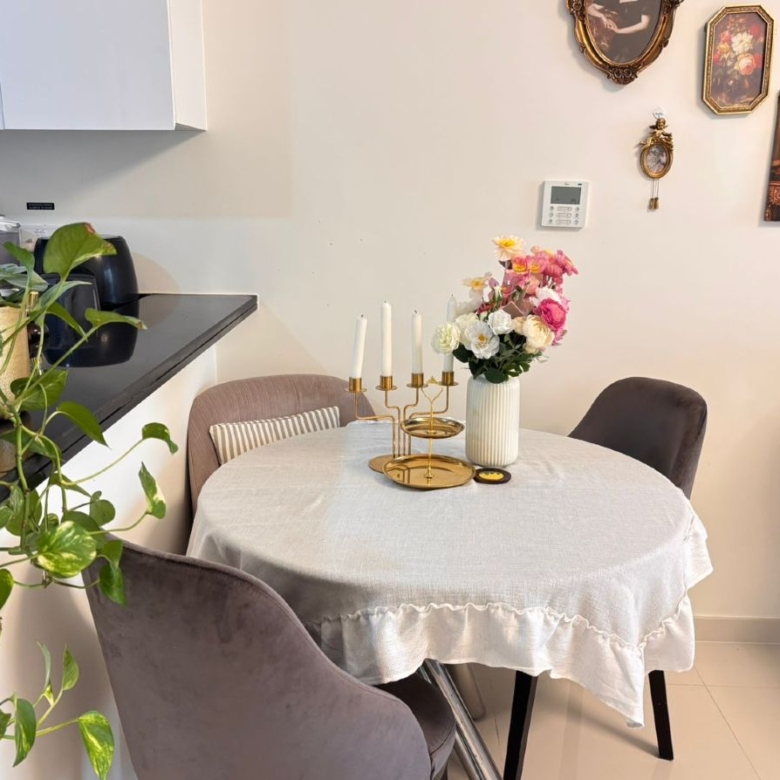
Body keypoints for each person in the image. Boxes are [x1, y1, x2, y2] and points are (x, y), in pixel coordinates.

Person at [587, 0, 657, 64]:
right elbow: (589, 8)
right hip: (620, 34)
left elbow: (644, 25)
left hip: (639, 36)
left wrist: (619, 30)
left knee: (624, 56)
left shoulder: (646, 2)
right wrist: (602, 16)